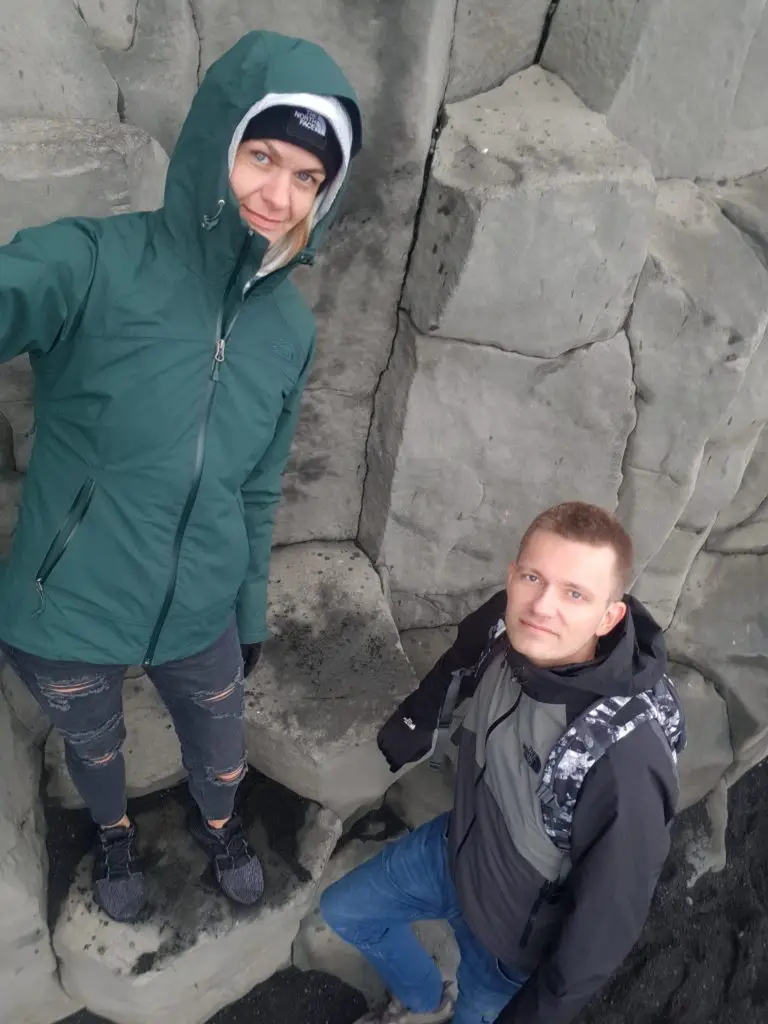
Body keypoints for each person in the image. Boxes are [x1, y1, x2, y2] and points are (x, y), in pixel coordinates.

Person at [0, 30, 362, 923]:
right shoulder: (93, 263)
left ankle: (219, 820)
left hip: (201, 605)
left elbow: (255, 487)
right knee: (94, 742)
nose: (278, 195)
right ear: (216, 144)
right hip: (66, 607)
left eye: (308, 177)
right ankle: (114, 832)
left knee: (220, 737)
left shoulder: (288, 332)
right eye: (262, 155)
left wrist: (245, 611)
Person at [321, 501, 685, 1024]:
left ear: (610, 616)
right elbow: (457, 664)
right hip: (456, 850)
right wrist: (411, 725)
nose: (542, 605)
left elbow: (603, 932)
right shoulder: (505, 623)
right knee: (346, 910)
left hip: (512, 944)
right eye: (534, 577)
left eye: (575, 593)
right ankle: (425, 1003)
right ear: (512, 576)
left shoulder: (622, 758)